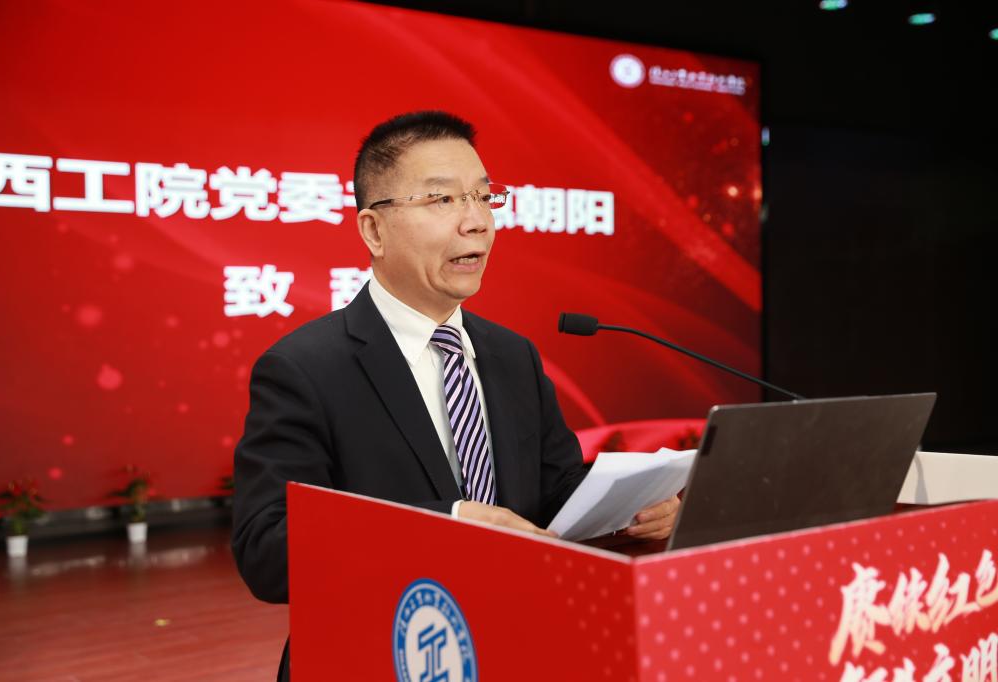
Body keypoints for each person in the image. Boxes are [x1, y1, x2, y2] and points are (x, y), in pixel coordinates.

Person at [231, 111, 680, 681]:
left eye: (484, 197)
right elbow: (267, 551)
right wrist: (448, 525)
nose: (477, 222)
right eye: (442, 200)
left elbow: (553, 493)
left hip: (512, 647)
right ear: (373, 230)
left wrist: (632, 509)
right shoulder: (304, 368)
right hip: (377, 656)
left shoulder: (512, 356)